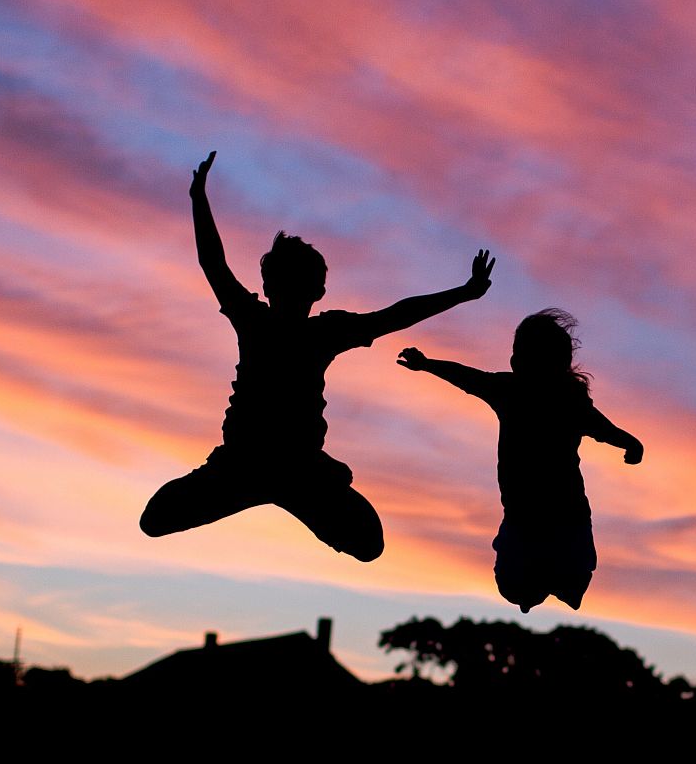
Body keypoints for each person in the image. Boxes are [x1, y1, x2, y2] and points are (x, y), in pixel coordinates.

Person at [140, 150, 494, 560]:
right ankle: (260, 492)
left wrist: (464, 293)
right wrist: (198, 200)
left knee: (369, 545)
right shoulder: (268, 322)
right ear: (279, 287)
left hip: (295, 468)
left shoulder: (300, 327)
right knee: (154, 520)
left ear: (311, 291)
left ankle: (273, 491)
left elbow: (396, 315)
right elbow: (213, 264)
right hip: (245, 465)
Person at [397, 309, 642, 611]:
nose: (513, 360)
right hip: (528, 515)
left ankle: (560, 583)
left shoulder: (556, 398)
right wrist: (427, 365)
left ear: (551, 364)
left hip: (560, 514)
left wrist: (630, 443)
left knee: (567, 574)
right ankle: (542, 586)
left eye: (521, 353)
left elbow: (603, 428)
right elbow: (466, 377)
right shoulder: (514, 391)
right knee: (520, 585)